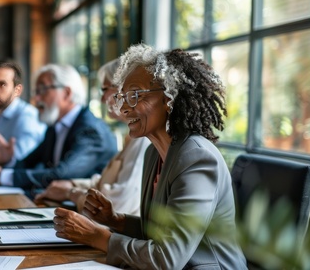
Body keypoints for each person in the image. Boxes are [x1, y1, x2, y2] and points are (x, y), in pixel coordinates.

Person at [52, 44, 248, 269]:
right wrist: (116, 221)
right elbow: (161, 233)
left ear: (168, 99)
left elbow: (167, 259)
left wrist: (96, 235)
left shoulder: (197, 158)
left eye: (134, 95)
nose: (124, 108)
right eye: (121, 97)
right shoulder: (153, 153)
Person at [0, 64, 118, 193]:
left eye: (43, 90)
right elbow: (29, 163)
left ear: (67, 93)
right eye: (35, 92)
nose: (36, 98)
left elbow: (61, 175)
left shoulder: (91, 131)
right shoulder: (55, 127)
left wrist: (1, 175)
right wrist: (7, 161)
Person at [34, 59, 150, 215]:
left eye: (105, 89)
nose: (102, 99)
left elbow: (118, 205)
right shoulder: (133, 137)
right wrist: (72, 185)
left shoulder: (144, 138)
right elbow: (104, 182)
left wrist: (72, 193)